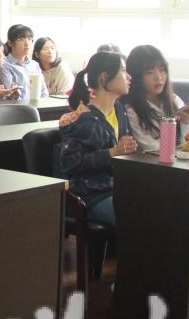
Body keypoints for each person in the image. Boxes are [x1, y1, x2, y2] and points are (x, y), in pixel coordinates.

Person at [56, 51, 136, 228]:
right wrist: (112, 153)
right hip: (90, 196)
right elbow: (70, 164)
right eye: (123, 71)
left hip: (115, 189)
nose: (129, 77)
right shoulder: (83, 119)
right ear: (105, 77)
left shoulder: (119, 110)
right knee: (136, 220)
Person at [122, 45, 189, 152]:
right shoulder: (131, 109)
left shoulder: (174, 100)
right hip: (153, 161)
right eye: (149, 72)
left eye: (162, 70)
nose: (158, 77)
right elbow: (152, 149)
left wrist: (186, 122)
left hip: (180, 159)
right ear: (136, 76)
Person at [1, 24, 49, 101]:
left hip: (39, 106)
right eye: (21, 39)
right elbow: (10, 95)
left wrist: (43, 105)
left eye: (30, 39)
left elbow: (44, 92)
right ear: (10, 43)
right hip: (17, 107)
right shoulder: (4, 65)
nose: (27, 43)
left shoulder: (34, 65)